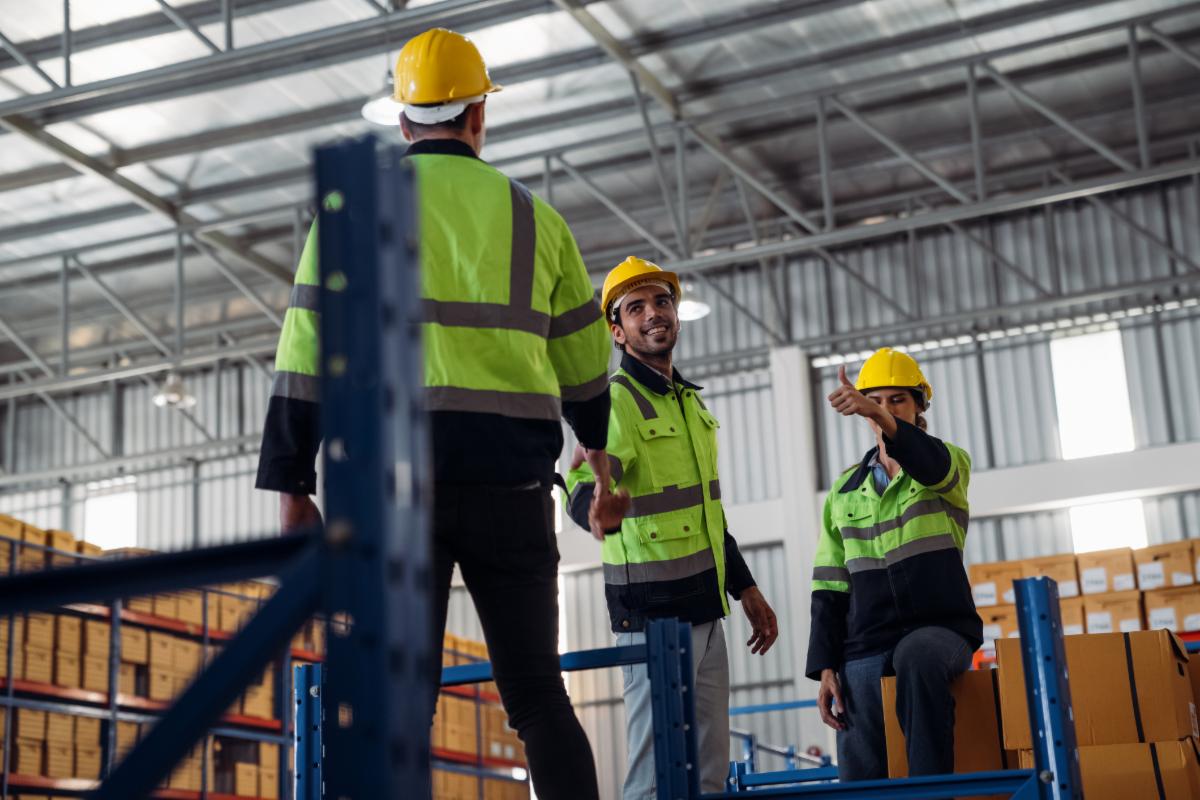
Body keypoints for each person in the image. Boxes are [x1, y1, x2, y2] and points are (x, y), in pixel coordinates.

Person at [254, 28, 628, 800]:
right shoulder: (537, 221)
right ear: (478, 118)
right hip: (514, 493)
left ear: (402, 123)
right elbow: (588, 365)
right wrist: (595, 448)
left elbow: (303, 350)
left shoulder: (350, 214)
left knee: (397, 707)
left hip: (392, 499)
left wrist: (291, 482)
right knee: (536, 697)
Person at [565, 256, 780, 798]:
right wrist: (594, 508)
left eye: (662, 302)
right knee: (654, 779)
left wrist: (747, 589)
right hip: (652, 623)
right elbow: (579, 480)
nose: (653, 314)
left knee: (708, 776)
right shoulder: (617, 400)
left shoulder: (689, 405)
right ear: (617, 331)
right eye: (635, 308)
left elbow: (708, 511)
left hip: (708, 614)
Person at [806, 347, 982, 780]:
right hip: (869, 639)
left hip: (941, 629)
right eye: (875, 401)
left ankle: (930, 791)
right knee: (856, 687)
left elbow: (931, 463)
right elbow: (830, 583)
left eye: (897, 399)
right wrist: (826, 665)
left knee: (918, 657)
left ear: (920, 404)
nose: (884, 409)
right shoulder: (844, 490)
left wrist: (884, 420)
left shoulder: (948, 463)